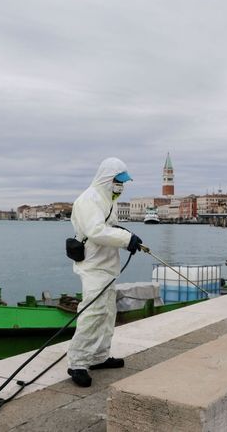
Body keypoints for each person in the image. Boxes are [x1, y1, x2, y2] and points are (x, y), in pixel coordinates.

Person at [66, 157, 143, 387]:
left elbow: (109, 227)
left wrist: (126, 236)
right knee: (92, 313)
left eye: (123, 182)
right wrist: (126, 238)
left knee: (107, 312)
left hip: (107, 266)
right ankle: (77, 363)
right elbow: (96, 231)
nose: (121, 186)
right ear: (108, 179)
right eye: (119, 181)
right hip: (93, 267)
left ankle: (99, 356)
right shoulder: (89, 199)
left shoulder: (107, 199)